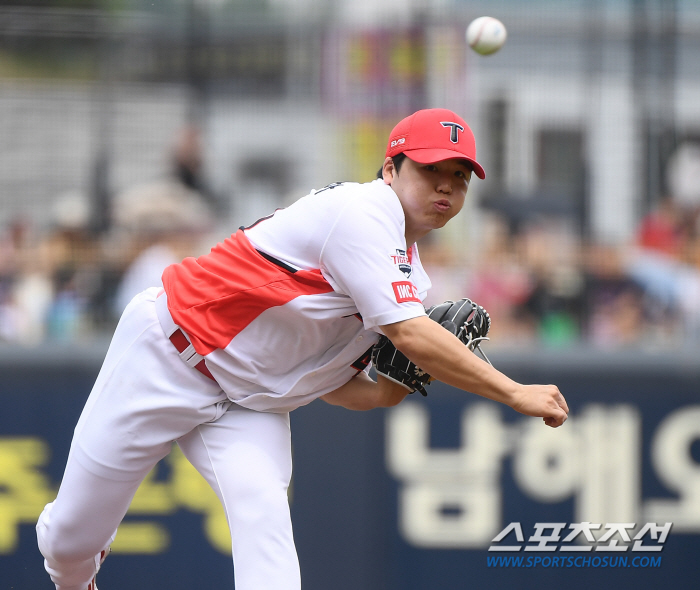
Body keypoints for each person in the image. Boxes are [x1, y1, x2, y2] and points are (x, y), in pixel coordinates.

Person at [36, 108, 569, 590]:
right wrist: (514, 391)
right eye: (430, 169)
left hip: (246, 406)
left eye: (459, 176)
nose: (446, 187)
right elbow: (409, 335)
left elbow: (349, 389)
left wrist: (393, 388)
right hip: (167, 354)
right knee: (69, 544)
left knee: (268, 544)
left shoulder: (410, 275)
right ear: (390, 169)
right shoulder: (362, 213)